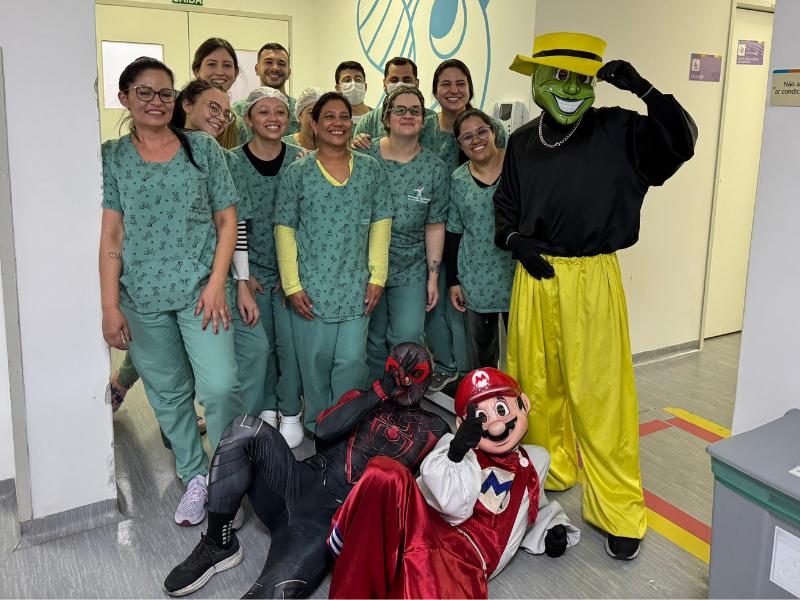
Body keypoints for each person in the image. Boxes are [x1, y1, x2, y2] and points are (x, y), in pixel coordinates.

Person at [494, 32, 697, 560]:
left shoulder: (618, 130)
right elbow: (506, 211)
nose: (571, 87)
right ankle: (549, 470)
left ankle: (618, 510)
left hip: (592, 278)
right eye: (560, 75)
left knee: (602, 397)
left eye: (583, 78)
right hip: (535, 282)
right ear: (537, 78)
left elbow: (681, 142)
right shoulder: (520, 142)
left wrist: (647, 92)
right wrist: (514, 240)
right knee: (535, 389)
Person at [163, 342, 450, 599]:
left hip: (329, 523)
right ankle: (218, 543)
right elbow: (323, 431)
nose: (406, 380)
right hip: (299, 483)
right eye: (399, 369)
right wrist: (381, 390)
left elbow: (432, 497)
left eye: (416, 372)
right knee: (244, 429)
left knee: (272, 593)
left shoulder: (437, 428)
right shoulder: (364, 399)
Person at [99, 57, 244, 526]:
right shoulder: (113, 156)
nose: (155, 102)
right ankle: (195, 475)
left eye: (164, 93)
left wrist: (219, 283)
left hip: (202, 289)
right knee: (169, 395)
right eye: (144, 92)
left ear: (175, 100)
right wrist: (109, 307)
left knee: (220, 387)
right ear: (124, 98)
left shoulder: (202, 148)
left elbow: (227, 220)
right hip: (140, 297)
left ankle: (229, 477)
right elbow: (112, 237)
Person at [327, 368, 579, 599]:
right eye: (481, 416)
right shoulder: (451, 447)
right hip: (422, 532)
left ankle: (366, 551)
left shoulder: (535, 460)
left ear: (523, 405)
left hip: (462, 564)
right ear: (462, 425)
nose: (496, 424)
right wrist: (457, 452)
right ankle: (352, 538)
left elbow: (531, 503)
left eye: (501, 409)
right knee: (385, 472)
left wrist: (552, 530)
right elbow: (454, 508)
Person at [108, 80, 262, 438]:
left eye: (226, 112)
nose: (221, 118)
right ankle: (177, 431)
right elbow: (117, 227)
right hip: (151, 284)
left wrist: (240, 281)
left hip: (207, 279)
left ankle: (233, 446)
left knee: (224, 368)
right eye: (213, 108)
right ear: (186, 104)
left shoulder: (222, 158)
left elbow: (233, 226)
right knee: (167, 364)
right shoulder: (130, 155)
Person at [274, 92, 393, 430]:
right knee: (314, 361)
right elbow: (284, 230)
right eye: (328, 116)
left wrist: (377, 278)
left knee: (352, 362)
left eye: (344, 117)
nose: (338, 123)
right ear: (314, 123)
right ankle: (316, 425)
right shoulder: (298, 173)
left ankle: (344, 426)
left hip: (357, 284)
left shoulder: (370, 169)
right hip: (311, 287)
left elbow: (381, 224)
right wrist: (292, 285)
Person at [226, 86, 306, 448]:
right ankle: (266, 410)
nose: (273, 119)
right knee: (262, 347)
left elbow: (312, 221)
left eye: (280, 112)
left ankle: (290, 410)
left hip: (295, 272)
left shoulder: (303, 160)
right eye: (263, 112)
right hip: (251, 271)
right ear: (247, 119)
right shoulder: (231, 163)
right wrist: (244, 276)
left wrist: (295, 275)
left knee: (291, 345)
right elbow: (232, 224)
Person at [356, 85, 449, 381]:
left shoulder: (435, 168)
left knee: (407, 336)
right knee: (373, 337)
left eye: (415, 110)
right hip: (366, 263)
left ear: (423, 119)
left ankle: (405, 404)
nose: (408, 115)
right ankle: (375, 405)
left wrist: (433, 276)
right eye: (400, 109)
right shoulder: (363, 157)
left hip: (411, 265)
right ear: (386, 117)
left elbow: (434, 225)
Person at [445, 109, 515, 369]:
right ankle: (488, 408)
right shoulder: (459, 179)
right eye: (467, 137)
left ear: (493, 131)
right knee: (484, 360)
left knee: (526, 353)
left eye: (482, 131)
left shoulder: (517, 166)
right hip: (476, 281)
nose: (476, 140)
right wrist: (453, 281)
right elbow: (454, 232)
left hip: (518, 276)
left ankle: (526, 407)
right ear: (459, 144)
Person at [352, 56, 435, 140]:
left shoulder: (433, 121)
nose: (400, 85)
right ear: (384, 84)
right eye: (394, 80)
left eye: (406, 80)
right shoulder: (368, 122)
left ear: (416, 84)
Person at [232, 42, 299, 143]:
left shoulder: (299, 111)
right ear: (257, 69)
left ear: (289, 73)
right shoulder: (238, 110)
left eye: (281, 63)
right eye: (268, 62)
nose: (275, 68)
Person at [190, 37, 244, 148]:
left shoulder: (238, 126)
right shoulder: (175, 113)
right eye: (211, 64)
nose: (220, 72)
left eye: (227, 65)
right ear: (197, 70)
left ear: (236, 73)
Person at [281, 87, 323, 151]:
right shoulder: (282, 147)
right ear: (299, 116)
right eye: (311, 113)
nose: (317, 118)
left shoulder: (335, 146)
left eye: (324, 113)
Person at [334, 61, 371, 125]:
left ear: (365, 87)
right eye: (347, 80)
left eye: (358, 79)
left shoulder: (378, 117)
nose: (353, 84)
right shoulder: (333, 120)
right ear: (338, 89)